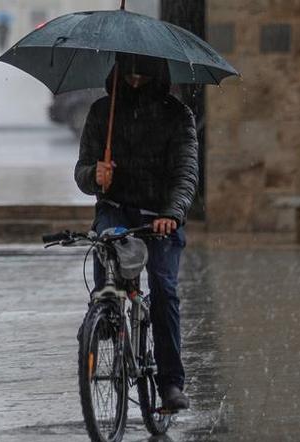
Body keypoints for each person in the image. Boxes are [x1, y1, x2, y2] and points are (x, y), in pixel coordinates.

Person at [74, 53, 198, 411]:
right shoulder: (103, 113)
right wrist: (94, 176)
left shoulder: (178, 117)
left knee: (164, 288)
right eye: (129, 74)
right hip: (117, 208)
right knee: (106, 247)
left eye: (143, 75)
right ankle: (104, 315)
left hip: (160, 215)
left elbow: (186, 173)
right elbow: (83, 168)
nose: (135, 81)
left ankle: (171, 383)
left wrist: (171, 214)